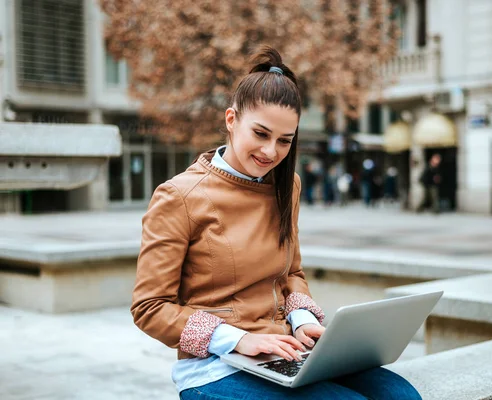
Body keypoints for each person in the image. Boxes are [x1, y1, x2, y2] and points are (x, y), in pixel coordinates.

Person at [132, 46, 422, 400]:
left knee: (403, 397)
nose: (271, 152)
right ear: (231, 120)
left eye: (285, 140)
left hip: (286, 352)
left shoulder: (288, 185)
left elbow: (291, 274)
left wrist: (305, 322)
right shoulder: (179, 195)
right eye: (261, 133)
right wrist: (240, 339)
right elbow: (150, 308)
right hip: (214, 367)